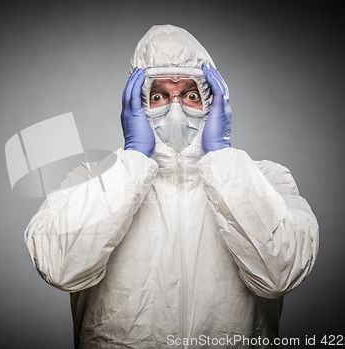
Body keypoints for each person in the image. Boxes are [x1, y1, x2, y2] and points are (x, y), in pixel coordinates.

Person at [24, 24, 319, 349]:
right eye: (159, 95)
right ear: (137, 104)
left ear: (213, 103)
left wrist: (222, 156)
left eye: (191, 95)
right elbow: (61, 268)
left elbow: (280, 275)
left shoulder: (266, 179)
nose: (175, 108)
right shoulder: (93, 180)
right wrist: (134, 158)